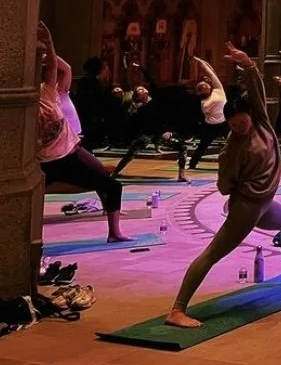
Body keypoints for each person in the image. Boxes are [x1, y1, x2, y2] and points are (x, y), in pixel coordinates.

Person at [166, 43, 281, 328]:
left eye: (242, 123)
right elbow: (224, 186)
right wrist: (239, 187)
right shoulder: (231, 149)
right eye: (234, 125)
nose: (239, 128)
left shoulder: (262, 123)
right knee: (214, 252)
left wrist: (248, 64)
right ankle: (178, 310)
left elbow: (256, 91)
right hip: (246, 205)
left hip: (264, 203)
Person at [36, 22, 131, 243]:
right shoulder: (23, 111)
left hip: (71, 153)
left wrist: (49, 43)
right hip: (45, 163)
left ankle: (114, 233)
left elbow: (54, 68)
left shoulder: (48, 93)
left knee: (111, 185)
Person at [112, 62, 186, 180]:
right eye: (139, 90)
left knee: (182, 146)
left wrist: (141, 69)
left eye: (142, 88)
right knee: (131, 153)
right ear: (138, 96)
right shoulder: (139, 108)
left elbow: (151, 81)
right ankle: (115, 173)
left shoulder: (155, 100)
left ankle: (181, 175)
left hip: (160, 133)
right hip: (147, 134)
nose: (141, 89)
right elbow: (136, 123)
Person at [187, 57, 227, 169]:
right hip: (210, 126)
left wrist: (203, 63)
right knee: (203, 145)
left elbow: (212, 74)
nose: (205, 86)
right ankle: (192, 163)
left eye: (206, 85)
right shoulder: (202, 101)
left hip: (224, 123)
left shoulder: (218, 90)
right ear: (199, 91)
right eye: (201, 87)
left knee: (234, 143)